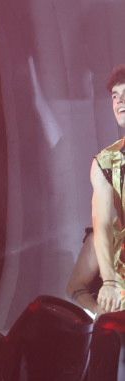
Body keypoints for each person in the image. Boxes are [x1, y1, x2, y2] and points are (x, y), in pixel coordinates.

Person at [87, 65, 125, 313]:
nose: (119, 101)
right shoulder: (105, 162)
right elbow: (101, 224)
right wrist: (109, 281)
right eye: (115, 95)